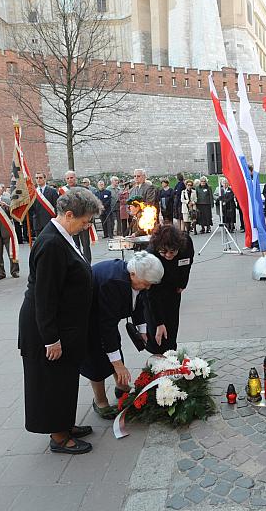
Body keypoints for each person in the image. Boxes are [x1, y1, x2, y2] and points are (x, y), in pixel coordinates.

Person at [18, 187, 102, 454]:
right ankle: (58, 436)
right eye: (85, 221)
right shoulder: (52, 243)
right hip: (47, 329)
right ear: (69, 215)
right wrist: (51, 338)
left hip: (64, 325)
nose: (86, 226)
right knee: (51, 381)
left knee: (64, 378)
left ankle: (64, 423)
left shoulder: (63, 236)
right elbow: (45, 296)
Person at [80, 252, 164, 419]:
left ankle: (122, 386)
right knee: (96, 358)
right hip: (88, 318)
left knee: (114, 349)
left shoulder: (136, 278)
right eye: (145, 283)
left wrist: (142, 331)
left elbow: (140, 301)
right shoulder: (113, 283)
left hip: (106, 318)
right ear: (133, 274)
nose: (148, 287)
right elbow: (107, 327)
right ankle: (100, 400)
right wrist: (118, 364)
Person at [146, 225, 194, 354]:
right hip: (154, 288)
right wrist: (159, 322)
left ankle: (171, 353)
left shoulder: (186, 243)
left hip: (174, 288)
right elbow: (151, 293)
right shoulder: (151, 255)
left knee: (172, 327)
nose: (168, 255)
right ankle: (158, 358)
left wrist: (182, 284)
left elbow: (187, 263)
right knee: (157, 332)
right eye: (164, 252)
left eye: (172, 252)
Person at [60, 171, 92, 262]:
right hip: (70, 222)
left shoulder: (84, 189)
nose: (70, 180)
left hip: (83, 221)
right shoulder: (62, 191)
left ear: (75, 178)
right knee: (74, 245)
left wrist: (90, 221)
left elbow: (91, 205)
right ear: (65, 179)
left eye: (71, 177)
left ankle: (87, 264)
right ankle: (78, 264)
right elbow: (60, 207)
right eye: (68, 178)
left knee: (86, 245)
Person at [31, 172, 59, 238]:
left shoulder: (53, 191)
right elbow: (31, 209)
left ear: (45, 179)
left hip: (50, 222)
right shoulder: (33, 193)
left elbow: (57, 207)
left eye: (40, 178)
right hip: (38, 223)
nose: (38, 179)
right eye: (36, 178)